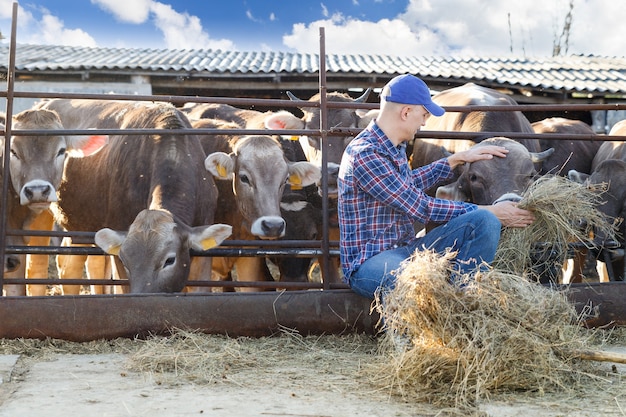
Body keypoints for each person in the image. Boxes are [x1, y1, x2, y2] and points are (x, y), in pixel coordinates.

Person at [337, 74, 536, 300]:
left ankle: (463, 301)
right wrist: (493, 210)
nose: (424, 123)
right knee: (415, 282)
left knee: (485, 222)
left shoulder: (394, 147)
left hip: (408, 249)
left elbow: (405, 185)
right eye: (423, 115)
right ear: (405, 113)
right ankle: (406, 332)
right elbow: (419, 206)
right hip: (371, 261)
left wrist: (456, 159)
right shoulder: (366, 153)